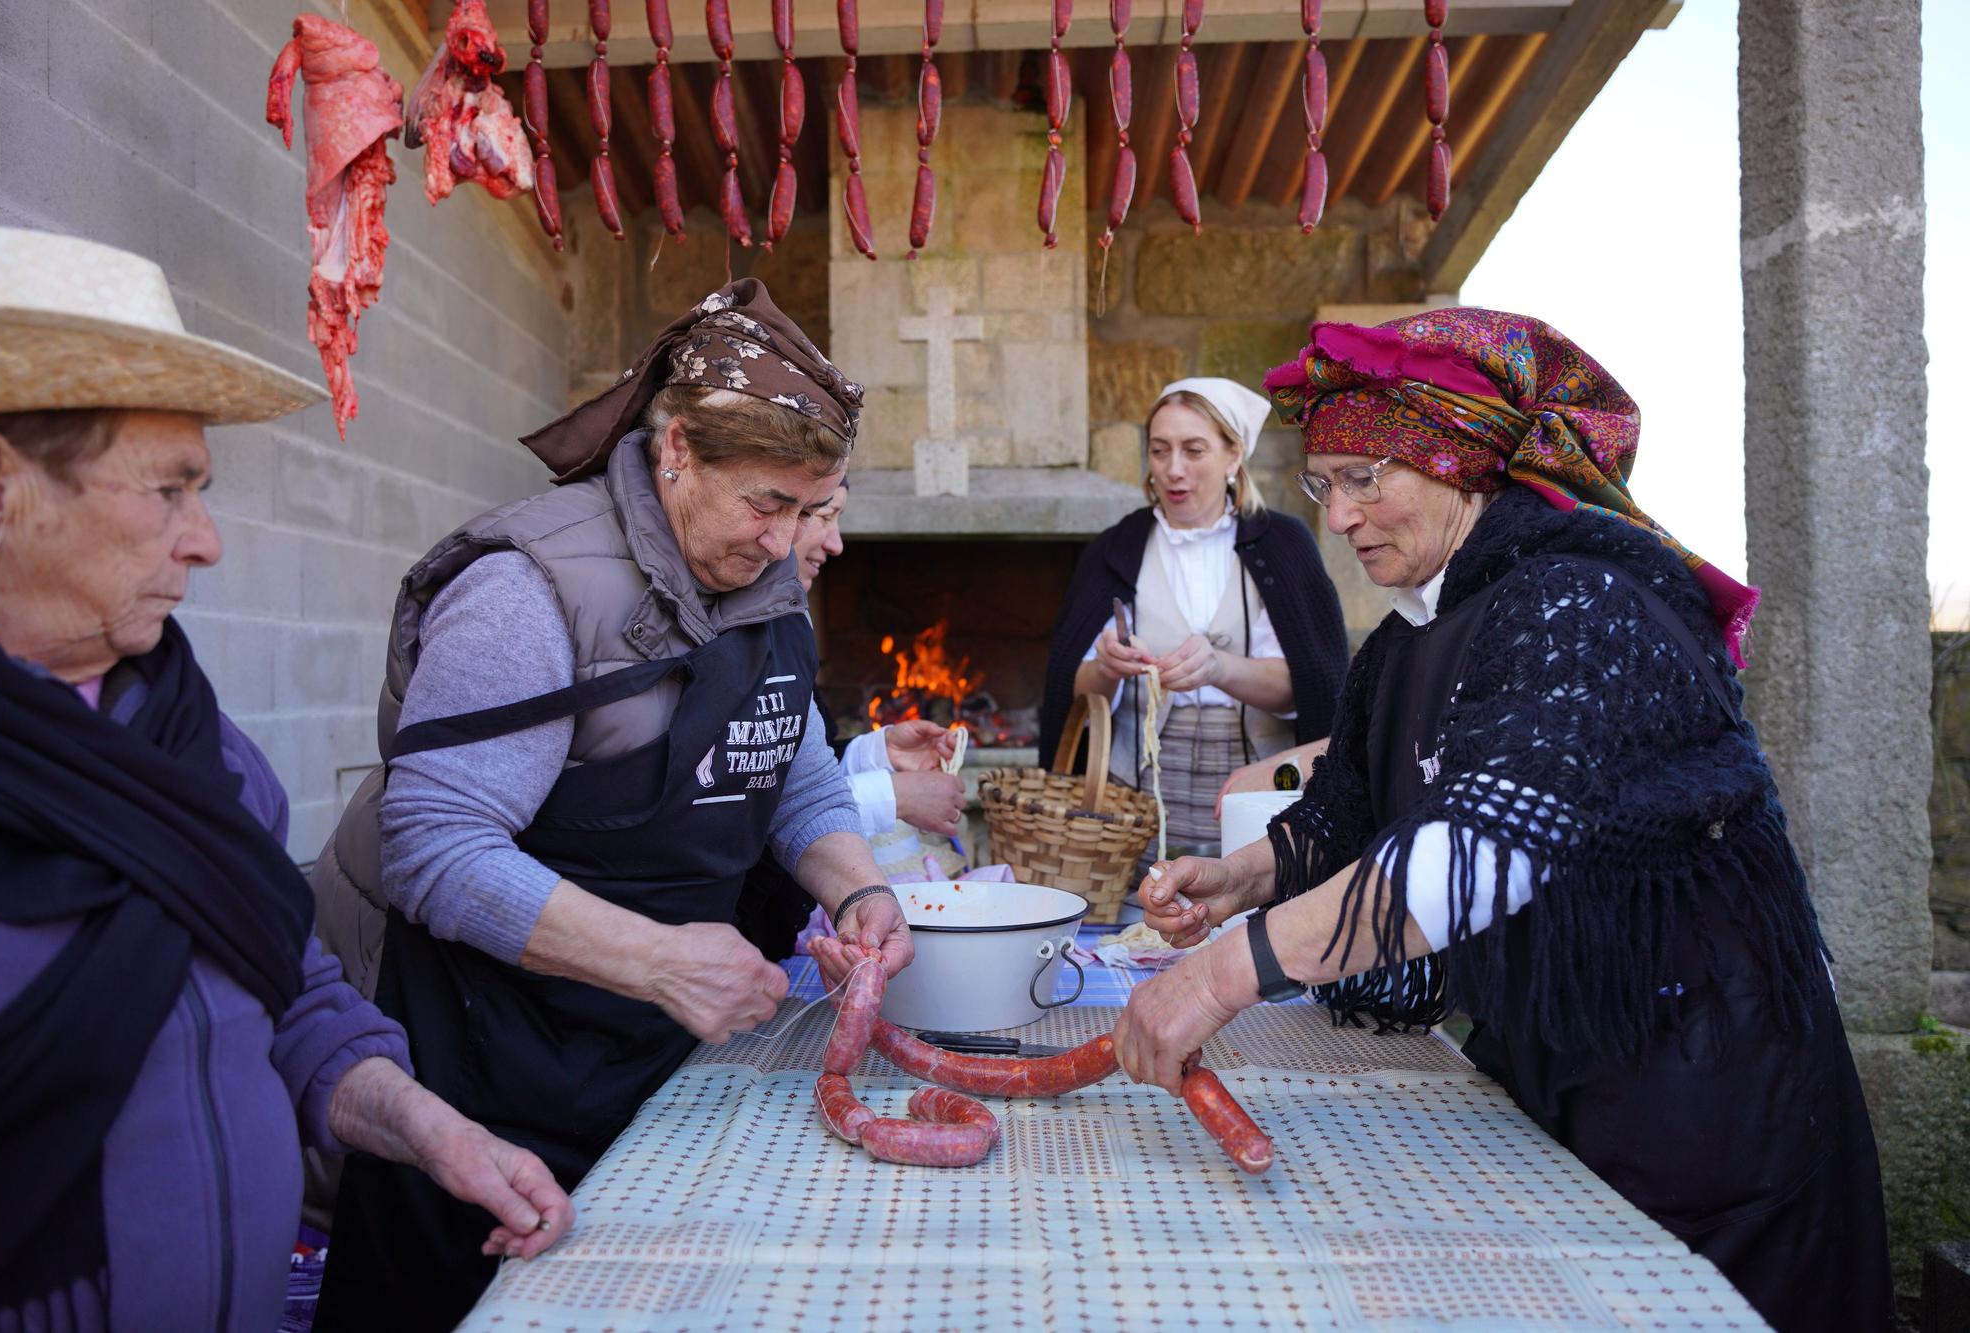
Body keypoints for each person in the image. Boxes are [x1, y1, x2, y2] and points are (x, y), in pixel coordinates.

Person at [1114, 310, 1892, 1330]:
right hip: (1564, 1055)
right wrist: (1241, 877)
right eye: (1322, 482)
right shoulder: (1410, 636)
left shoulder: (1574, 600)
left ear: (1457, 465)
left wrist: (1221, 972)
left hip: (1704, 1085)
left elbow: (1483, 847)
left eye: (1363, 479)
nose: (1338, 517)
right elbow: (1348, 815)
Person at [0, 226, 572, 1332]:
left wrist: (432, 1128)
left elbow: (286, 994)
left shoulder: (196, 746)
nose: (206, 542)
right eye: (168, 490)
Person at [315, 279, 913, 1330]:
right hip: (485, 1061)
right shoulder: (528, 590)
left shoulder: (763, 585)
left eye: (809, 509)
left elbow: (793, 771)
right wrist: (659, 959)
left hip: (647, 1059)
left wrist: (857, 885)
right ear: (674, 448)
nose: (786, 543)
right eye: (766, 503)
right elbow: (433, 846)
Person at [1040, 377, 1346, 866]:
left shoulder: (1283, 546)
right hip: (1131, 792)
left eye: (1194, 450)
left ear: (1233, 454)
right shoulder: (1116, 549)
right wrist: (1108, 666)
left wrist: (1220, 668)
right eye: (1160, 451)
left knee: (1243, 909)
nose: (1174, 470)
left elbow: (1311, 684)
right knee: (1138, 924)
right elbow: (1070, 690)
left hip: (1253, 786)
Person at [733, 477, 966, 961]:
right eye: (824, 515)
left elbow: (788, 758)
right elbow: (743, 799)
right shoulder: (736, 626)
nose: (836, 543)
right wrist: (889, 797)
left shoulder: (786, 620)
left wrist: (874, 752)